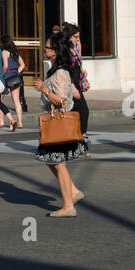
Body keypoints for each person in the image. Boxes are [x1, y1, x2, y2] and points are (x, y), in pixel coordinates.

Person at [33, 35, 88, 217]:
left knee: (59, 163)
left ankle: (68, 206)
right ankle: (72, 192)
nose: (45, 49)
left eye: (47, 47)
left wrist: (45, 90)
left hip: (59, 122)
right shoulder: (54, 70)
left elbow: (62, 100)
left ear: (55, 51)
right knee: (50, 160)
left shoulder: (61, 72)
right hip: (53, 119)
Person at [60, 21, 90, 137]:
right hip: (69, 87)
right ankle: (79, 139)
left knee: (77, 114)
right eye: (75, 37)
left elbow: (76, 65)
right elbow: (65, 69)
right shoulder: (65, 51)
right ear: (68, 36)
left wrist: (82, 72)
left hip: (76, 84)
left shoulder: (73, 48)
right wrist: (72, 87)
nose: (77, 40)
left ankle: (78, 140)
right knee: (83, 112)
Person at [1, 34, 28, 132]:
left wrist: (2, 74)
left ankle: (1, 120)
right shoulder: (15, 52)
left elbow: (5, 66)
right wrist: (17, 72)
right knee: (16, 101)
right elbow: (23, 64)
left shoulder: (4, 52)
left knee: (0, 99)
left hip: (7, 77)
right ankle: (20, 122)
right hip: (16, 77)